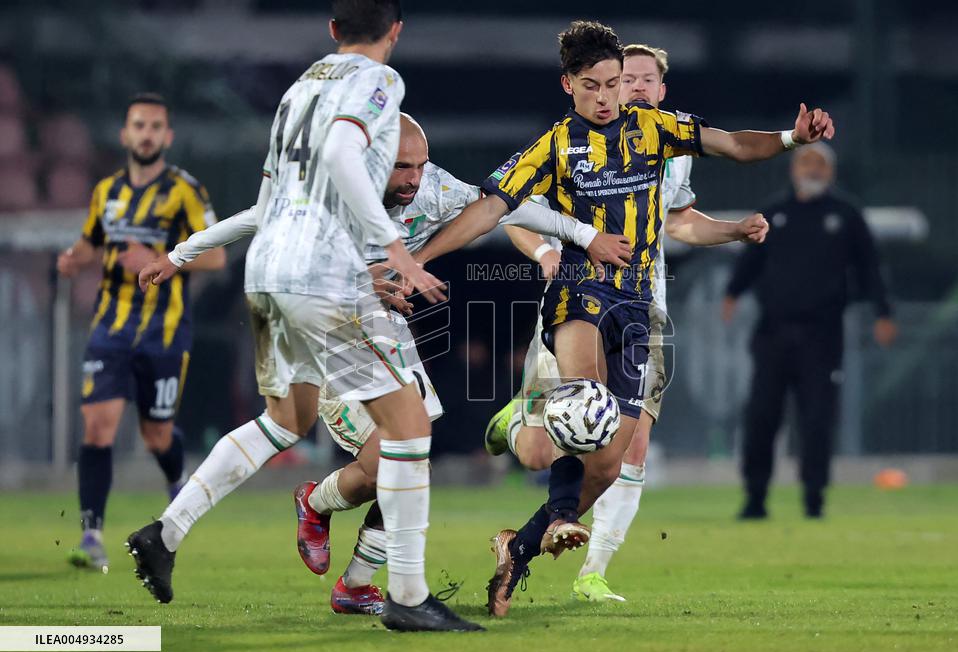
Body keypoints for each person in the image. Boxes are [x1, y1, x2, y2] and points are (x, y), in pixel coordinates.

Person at [411, 20, 834, 618]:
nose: (608, 96)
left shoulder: (654, 131)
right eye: (594, 85)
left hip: (637, 306)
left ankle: (519, 547)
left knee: (609, 463)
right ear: (569, 85)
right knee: (588, 403)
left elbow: (734, 144)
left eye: (614, 84)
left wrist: (790, 138)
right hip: (579, 290)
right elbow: (492, 210)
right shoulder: (554, 146)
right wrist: (419, 257)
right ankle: (558, 514)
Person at [127, 111, 625, 616]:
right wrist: (180, 255)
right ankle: (309, 532)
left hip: (382, 330)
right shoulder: (329, 192)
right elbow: (261, 219)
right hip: (321, 322)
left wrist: (578, 237)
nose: (413, 178)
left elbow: (505, 207)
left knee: (405, 458)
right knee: (341, 442)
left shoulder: (431, 188)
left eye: (420, 164)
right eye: (401, 167)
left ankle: (349, 573)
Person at [124, 0, 485, 633]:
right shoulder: (377, 81)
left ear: (331, 29)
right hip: (325, 274)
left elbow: (269, 200)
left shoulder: (299, 90)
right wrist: (391, 247)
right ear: (395, 31)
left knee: (284, 420)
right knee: (408, 431)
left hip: (268, 270)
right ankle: (404, 595)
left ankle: (165, 531)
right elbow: (347, 156)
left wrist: (184, 252)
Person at [500, 42, 772, 604]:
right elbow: (509, 206)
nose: (639, 88)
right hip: (576, 299)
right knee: (543, 447)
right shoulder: (571, 145)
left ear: (661, 90)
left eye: (648, 79)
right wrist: (546, 255)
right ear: (606, 86)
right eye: (629, 80)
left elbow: (681, 225)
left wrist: (734, 231)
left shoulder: (668, 147)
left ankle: (591, 570)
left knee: (628, 446)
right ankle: (515, 426)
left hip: (644, 308)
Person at [56, 92, 224, 571]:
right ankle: (91, 536)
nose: (146, 134)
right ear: (125, 134)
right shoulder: (106, 190)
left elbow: (215, 255)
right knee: (98, 425)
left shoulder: (185, 191)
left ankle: (177, 480)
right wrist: (73, 259)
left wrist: (159, 260)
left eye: (155, 126)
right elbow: (91, 243)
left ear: (167, 136)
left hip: (164, 333)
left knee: (155, 435)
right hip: (109, 328)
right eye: (138, 125)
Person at [723, 142, 896, 520]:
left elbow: (869, 267)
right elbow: (751, 259)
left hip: (822, 336)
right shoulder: (774, 212)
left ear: (830, 172)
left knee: (817, 419)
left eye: (820, 163)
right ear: (793, 169)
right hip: (772, 333)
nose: (812, 169)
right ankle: (755, 498)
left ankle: (814, 499)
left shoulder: (846, 215)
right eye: (806, 161)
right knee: (761, 416)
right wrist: (732, 294)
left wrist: (883, 312)